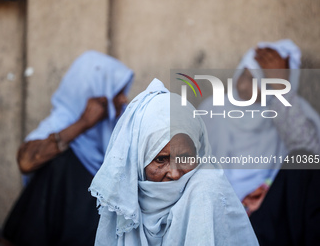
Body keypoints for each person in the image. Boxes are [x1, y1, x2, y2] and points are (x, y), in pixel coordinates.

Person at [88, 79, 259, 246]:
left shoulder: (206, 192)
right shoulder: (124, 205)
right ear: (137, 161)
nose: (175, 174)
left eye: (185, 158)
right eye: (160, 159)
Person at [3, 51, 133, 246]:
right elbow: (26, 162)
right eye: (117, 92)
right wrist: (82, 124)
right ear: (97, 93)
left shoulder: (120, 126)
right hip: (56, 229)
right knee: (58, 162)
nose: (124, 99)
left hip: (92, 230)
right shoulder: (62, 122)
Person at [198, 39, 320, 245]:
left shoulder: (291, 112)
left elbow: (308, 160)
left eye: (258, 80)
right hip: (219, 217)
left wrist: (283, 91)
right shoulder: (213, 110)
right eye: (244, 75)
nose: (244, 86)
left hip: (273, 218)